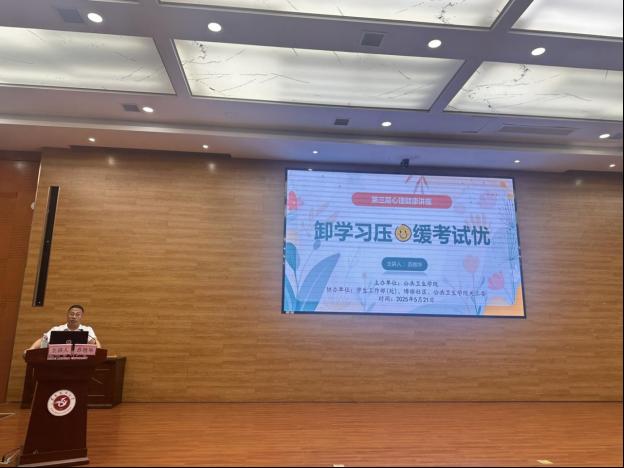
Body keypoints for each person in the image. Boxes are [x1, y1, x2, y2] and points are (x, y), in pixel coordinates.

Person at [25, 304, 101, 353]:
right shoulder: (57, 329)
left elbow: (95, 342)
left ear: (81, 317)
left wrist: (99, 352)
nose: (74, 317)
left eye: (78, 314)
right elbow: (44, 340)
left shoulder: (87, 329)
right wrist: (31, 349)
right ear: (67, 315)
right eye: (72, 314)